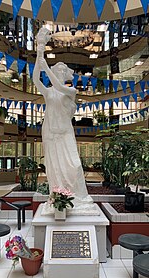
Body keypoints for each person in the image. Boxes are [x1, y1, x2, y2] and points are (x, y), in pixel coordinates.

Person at [33, 28, 98, 214]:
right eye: (57, 69)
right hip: (51, 133)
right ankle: (57, 197)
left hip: (65, 133)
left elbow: (59, 86)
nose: (60, 72)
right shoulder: (48, 92)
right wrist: (40, 51)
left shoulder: (71, 91)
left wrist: (46, 66)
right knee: (54, 169)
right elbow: (35, 79)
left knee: (74, 166)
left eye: (62, 70)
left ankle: (76, 198)